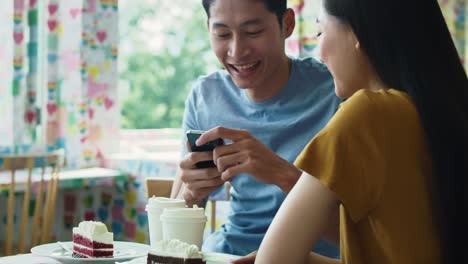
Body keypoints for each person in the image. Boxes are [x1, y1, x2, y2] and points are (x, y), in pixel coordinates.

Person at [199, 0, 466, 263]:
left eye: (320, 32)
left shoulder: (367, 114)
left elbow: (271, 260)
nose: (320, 54)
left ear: (356, 33)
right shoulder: (435, 111)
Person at [170, 0, 342, 257]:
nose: (237, 52)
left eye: (253, 32)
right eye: (222, 34)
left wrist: (281, 174)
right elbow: (170, 242)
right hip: (227, 254)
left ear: (287, 24)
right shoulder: (206, 96)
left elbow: (366, 236)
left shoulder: (337, 92)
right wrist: (192, 194)